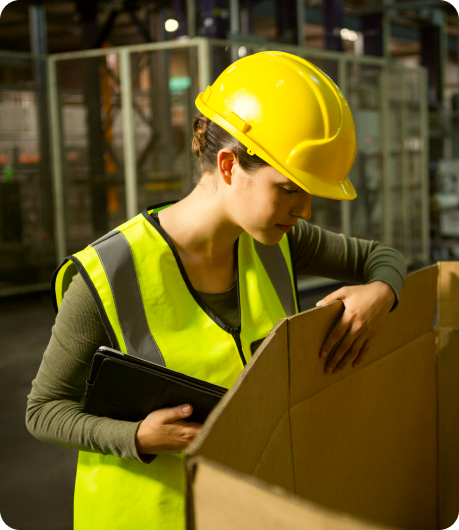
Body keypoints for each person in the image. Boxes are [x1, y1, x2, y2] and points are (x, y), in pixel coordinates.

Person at [26, 51, 406, 530]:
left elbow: (383, 259)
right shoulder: (107, 274)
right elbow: (43, 412)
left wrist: (381, 294)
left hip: (244, 507)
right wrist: (138, 435)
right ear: (228, 166)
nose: (304, 210)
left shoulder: (275, 240)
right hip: (144, 517)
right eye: (289, 188)